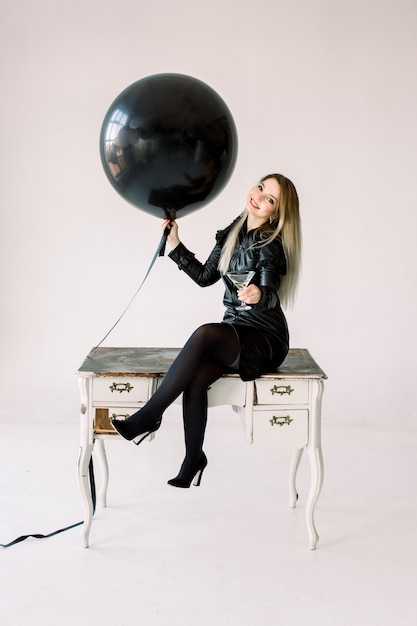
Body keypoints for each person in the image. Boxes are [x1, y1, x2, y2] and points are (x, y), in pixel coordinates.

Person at [111, 173, 302, 488]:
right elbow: (204, 276)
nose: (259, 197)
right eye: (260, 187)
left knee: (205, 333)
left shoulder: (271, 244)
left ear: (276, 212)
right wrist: (174, 244)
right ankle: (193, 459)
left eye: (270, 198)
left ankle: (147, 417)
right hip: (237, 329)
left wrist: (258, 294)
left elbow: (270, 293)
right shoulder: (232, 232)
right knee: (197, 380)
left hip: (264, 337)